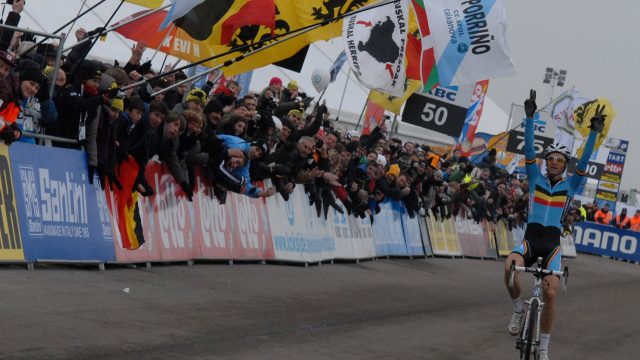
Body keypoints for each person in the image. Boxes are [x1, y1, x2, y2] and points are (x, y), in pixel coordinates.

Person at [504, 90, 603, 360]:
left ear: (565, 165)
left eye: (560, 160)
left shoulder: (572, 184)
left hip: (552, 246)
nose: (555, 163)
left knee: (551, 293)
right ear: (545, 163)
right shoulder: (534, 176)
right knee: (510, 268)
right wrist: (529, 117)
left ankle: (544, 347)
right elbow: (528, 148)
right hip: (529, 239)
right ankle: (517, 309)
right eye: (551, 159)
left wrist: (593, 133)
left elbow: (584, 161)